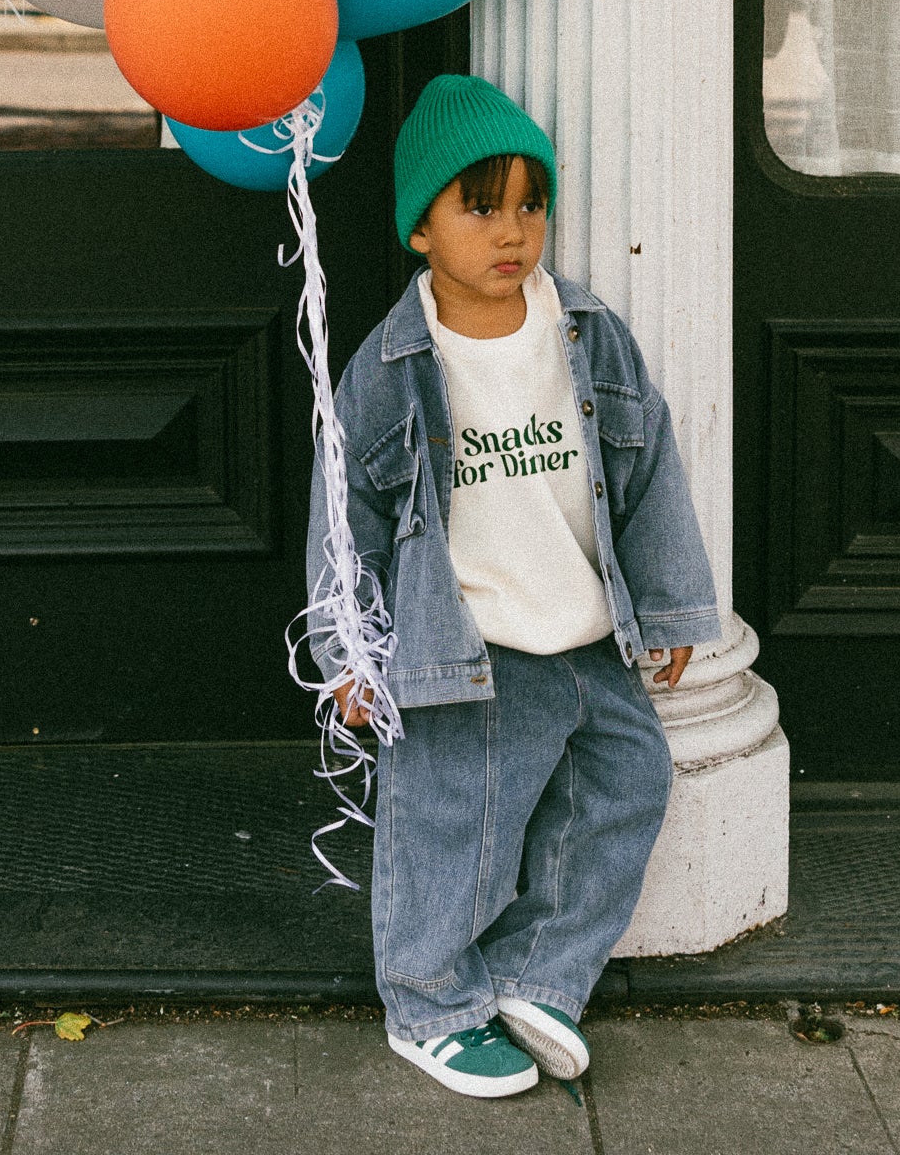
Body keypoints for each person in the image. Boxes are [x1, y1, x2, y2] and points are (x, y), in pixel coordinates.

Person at [305, 74, 720, 1100]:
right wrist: (348, 650)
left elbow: (647, 463)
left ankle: (539, 974)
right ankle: (430, 1000)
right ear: (420, 229)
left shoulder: (584, 331)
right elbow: (343, 507)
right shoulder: (393, 364)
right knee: (455, 833)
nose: (513, 230)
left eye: (530, 203)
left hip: (584, 634)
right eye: (479, 205)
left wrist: (668, 604)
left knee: (627, 785)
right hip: (465, 651)